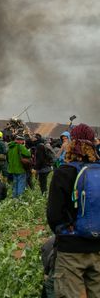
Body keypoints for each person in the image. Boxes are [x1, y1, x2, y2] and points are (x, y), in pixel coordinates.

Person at [47, 123, 100, 297]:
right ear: (93, 143)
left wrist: (65, 231)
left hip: (71, 250)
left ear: (71, 143)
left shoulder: (63, 172)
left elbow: (54, 216)